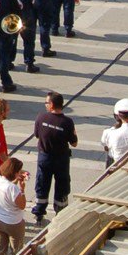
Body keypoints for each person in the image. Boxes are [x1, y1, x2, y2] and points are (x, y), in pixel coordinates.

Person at [31, 91, 77, 224]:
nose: (45, 105)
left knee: (42, 183)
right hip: (61, 160)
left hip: (44, 158)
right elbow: (74, 143)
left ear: (51, 105)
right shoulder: (67, 122)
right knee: (62, 185)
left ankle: (39, 212)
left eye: (46, 103)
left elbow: (37, 135)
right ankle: (60, 212)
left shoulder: (41, 117)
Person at [0, 157, 28, 255]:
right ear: (15, 173)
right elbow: (22, 205)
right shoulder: (13, 189)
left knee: (0, 252)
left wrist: (15, 181)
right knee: (17, 252)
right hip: (14, 223)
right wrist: (22, 189)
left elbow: (6, 187)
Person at [99, 98, 128, 167]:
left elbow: (105, 146)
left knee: (110, 152)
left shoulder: (108, 133)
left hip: (116, 166)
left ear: (118, 116)